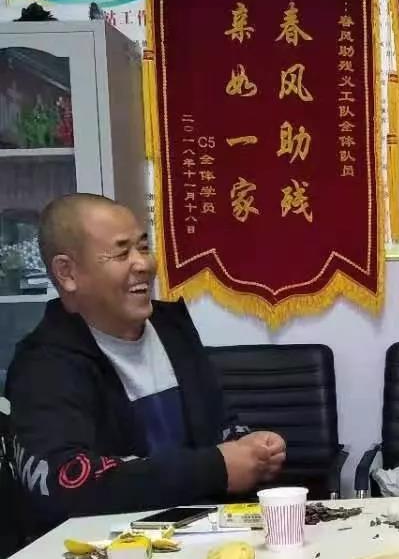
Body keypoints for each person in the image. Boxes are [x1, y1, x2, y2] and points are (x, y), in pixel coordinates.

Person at [7, 193, 285, 534]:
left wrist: (252, 445)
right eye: (122, 253)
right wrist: (216, 468)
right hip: (113, 552)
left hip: (208, 534)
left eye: (143, 247)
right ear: (67, 273)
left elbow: (220, 425)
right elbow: (69, 487)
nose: (143, 264)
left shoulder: (172, 328)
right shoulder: (42, 367)